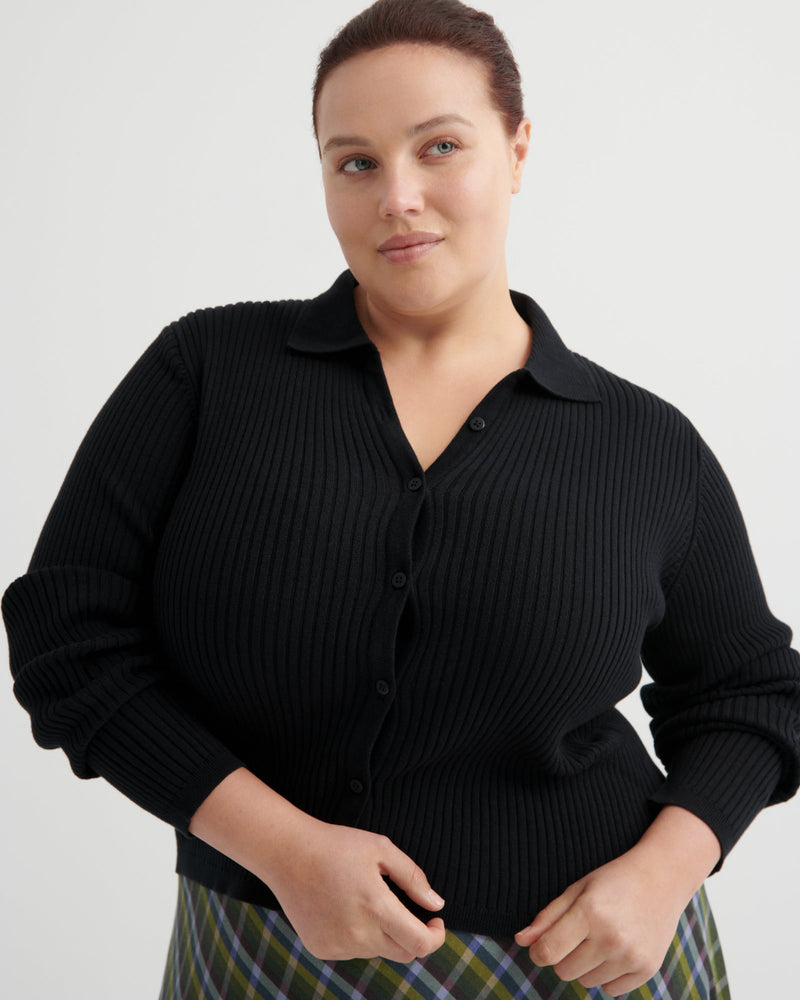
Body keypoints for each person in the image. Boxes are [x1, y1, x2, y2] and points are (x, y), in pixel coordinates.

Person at [3, 0, 799, 997]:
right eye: (355, 162)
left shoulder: (644, 443)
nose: (399, 197)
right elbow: (67, 640)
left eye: (439, 147)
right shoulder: (204, 374)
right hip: (263, 946)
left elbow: (748, 690)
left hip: (587, 965)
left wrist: (662, 872)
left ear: (515, 150)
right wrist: (286, 850)